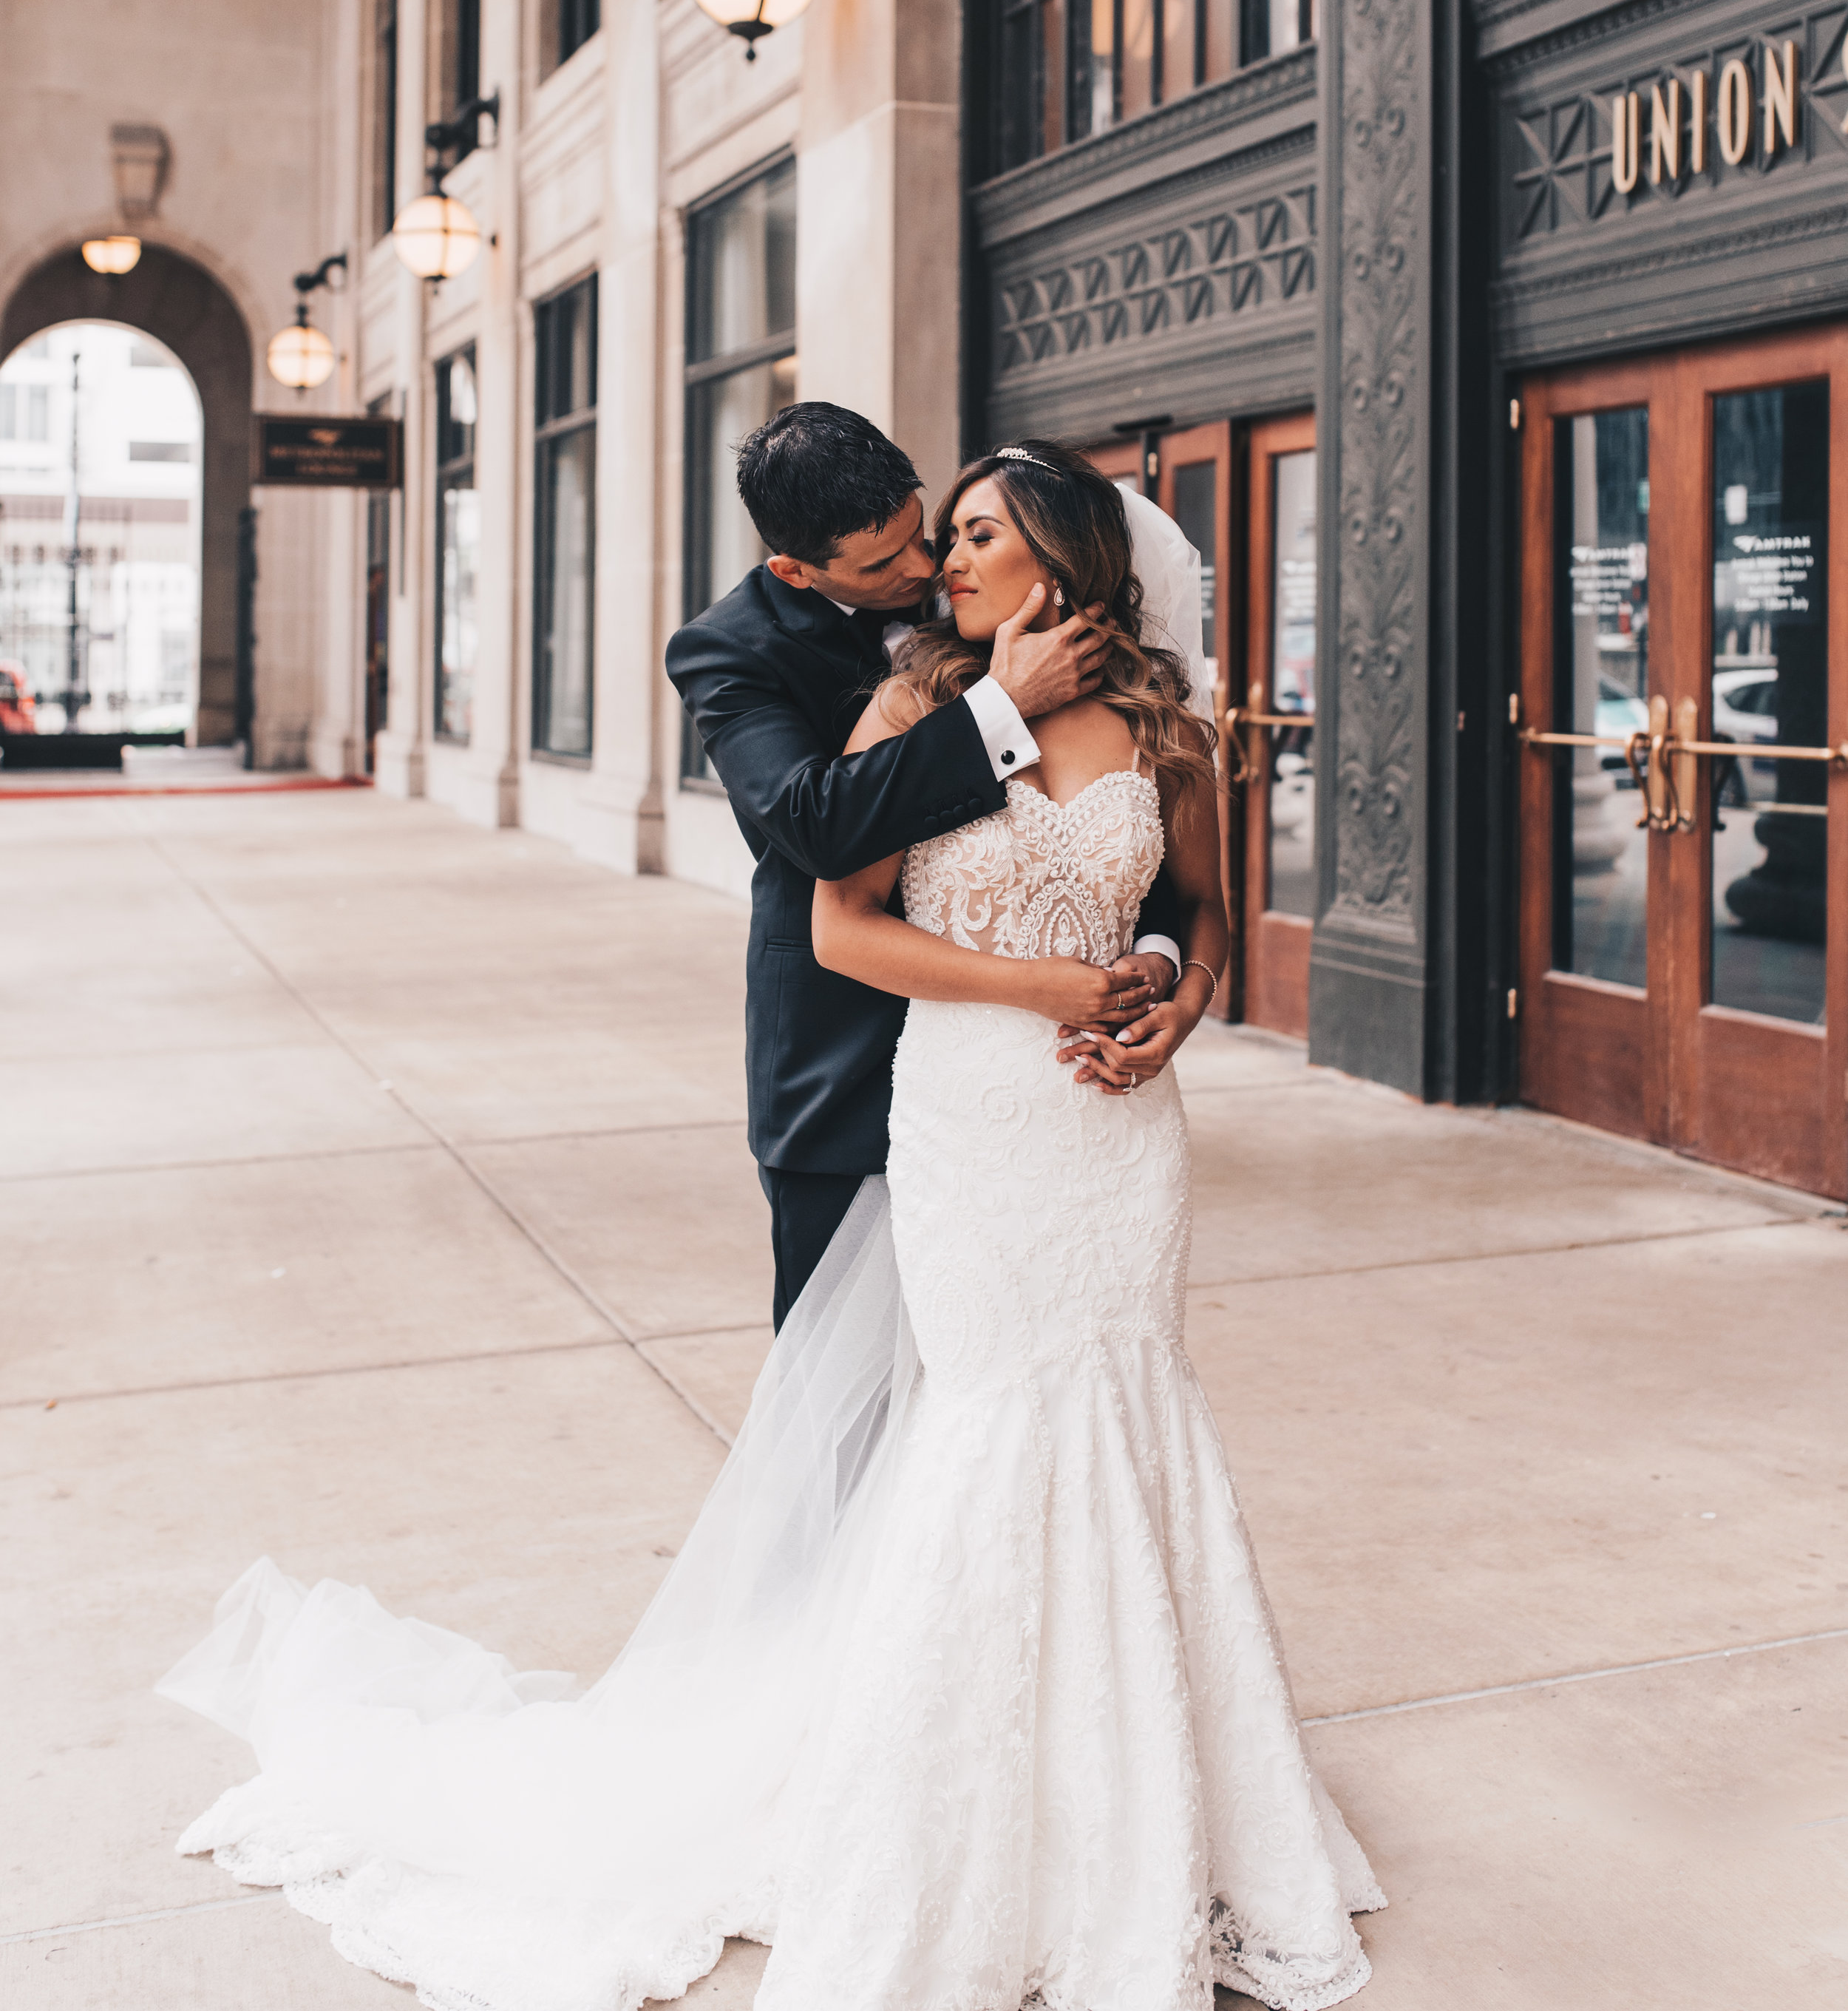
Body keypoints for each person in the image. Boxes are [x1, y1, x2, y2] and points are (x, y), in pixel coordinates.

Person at [158, 439, 1383, 2011]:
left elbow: (1196, 914)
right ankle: (936, 1802)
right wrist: (1048, 979)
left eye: (970, 536)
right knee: (972, 1442)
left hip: (1117, 1143)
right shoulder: (906, 700)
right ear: (812, 565)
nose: (938, 563)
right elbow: (833, 908)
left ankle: (1142, 1795)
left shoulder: (1165, 726)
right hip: (960, 1122)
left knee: (1128, 1426)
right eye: (924, 544)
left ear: (1063, 555)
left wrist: (1174, 1002)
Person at [664, 399, 1182, 1326]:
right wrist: (999, 708)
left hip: (1040, 1082)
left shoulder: (981, 568)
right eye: (881, 564)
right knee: (845, 1382)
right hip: (844, 1052)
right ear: (796, 568)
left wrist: (1170, 971)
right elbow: (814, 822)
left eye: (923, 532)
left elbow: (1134, 860)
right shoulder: (729, 651)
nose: (925, 572)